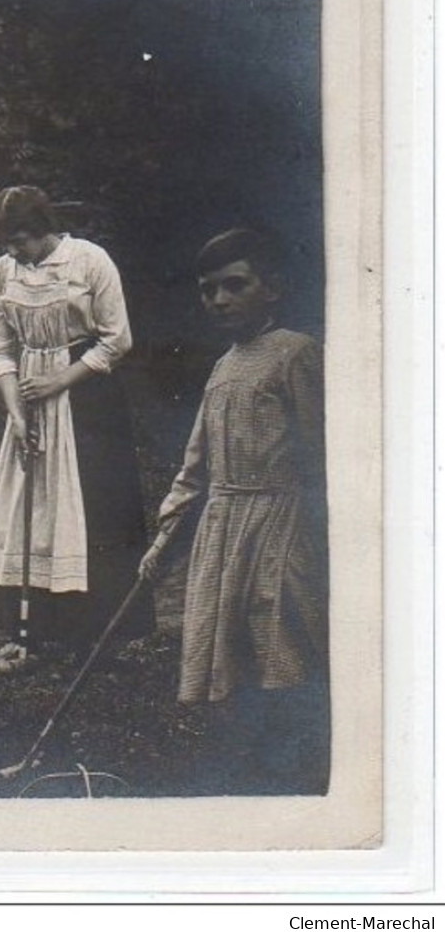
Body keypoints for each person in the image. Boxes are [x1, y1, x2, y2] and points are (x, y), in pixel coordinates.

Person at [140, 229, 328, 794]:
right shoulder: (223, 365)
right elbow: (196, 465)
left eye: (234, 285)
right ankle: (244, 759)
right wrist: (163, 539)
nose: (219, 300)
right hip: (224, 525)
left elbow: (321, 451)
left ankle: (295, 759)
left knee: (279, 634)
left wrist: (317, 530)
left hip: (280, 521)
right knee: (226, 639)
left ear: (271, 288)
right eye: (207, 291)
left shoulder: (297, 352)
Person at [0, 186, 153, 671]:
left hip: (86, 397)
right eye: (7, 243)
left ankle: (90, 638)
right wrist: (15, 408)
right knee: (30, 507)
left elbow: (118, 341)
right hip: (28, 395)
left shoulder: (90, 262)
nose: (15, 252)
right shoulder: (2, 271)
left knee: (86, 506)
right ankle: (24, 634)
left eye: (23, 240)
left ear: (45, 229)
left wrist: (58, 382)